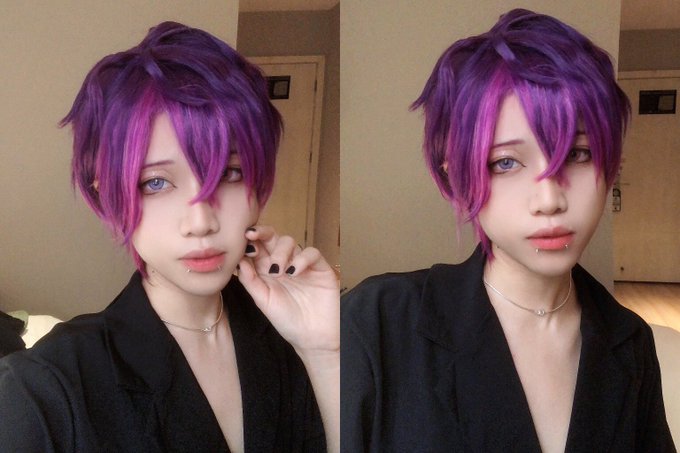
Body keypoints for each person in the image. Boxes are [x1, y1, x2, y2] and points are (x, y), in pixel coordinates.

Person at [341, 9, 675, 453]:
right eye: (505, 162)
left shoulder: (629, 341)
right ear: (459, 177)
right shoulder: (378, 322)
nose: (549, 199)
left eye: (578, 154)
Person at [0, 22, 339, 453]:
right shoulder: (44, 391)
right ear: (110, 197)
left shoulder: (290, 336)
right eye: (156, 183)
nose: (201, 221)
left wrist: (324, 352)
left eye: (230, 173)